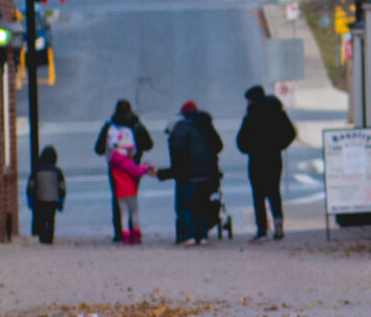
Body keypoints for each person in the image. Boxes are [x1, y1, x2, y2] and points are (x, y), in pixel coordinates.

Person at [236, 86, 298, 240]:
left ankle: (262, 229)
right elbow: (291, 132)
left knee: (258, 195)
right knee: (274, 192)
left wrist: (250, 149)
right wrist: (279, 145)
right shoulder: (277, 111)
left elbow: (241, 141)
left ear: (252, 99)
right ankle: (278, 221)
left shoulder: (251, 115)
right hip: (274, 157)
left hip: (256, 159)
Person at [165, 102, 225, 245]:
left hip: (189, 174)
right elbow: (218, 146)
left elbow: (177, 154)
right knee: (201, 204)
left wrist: (171, 172)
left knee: (184, 204)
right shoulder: (205, 126)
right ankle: (202, 235)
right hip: (209, 173)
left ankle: (189, 235)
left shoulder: (181, 129)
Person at [94, 99, 153, 243]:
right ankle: (134, 230)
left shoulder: (109, 126)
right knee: (132, 198)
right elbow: (148, 144)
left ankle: (120, 232)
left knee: (118, 198)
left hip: (115, 167)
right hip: (133, 166)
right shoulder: (136, 125)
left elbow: (99, 149)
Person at [105, 139, 149, 245]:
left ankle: (125, 235)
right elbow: (136, 172)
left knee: (123, 214)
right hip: (130, 190)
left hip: (120, 191)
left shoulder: (114, 161)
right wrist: (146, 168)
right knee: (134, 213)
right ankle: (136, 235)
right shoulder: (126, 161)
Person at [27, 145, 66, 245]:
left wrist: (31, 199)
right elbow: (62, 187)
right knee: (50, 219)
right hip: (52, 200)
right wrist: (61, 200)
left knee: (40, 218)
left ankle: (41, 236)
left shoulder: (36, 170)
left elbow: (31, 186)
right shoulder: (57, 171)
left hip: (39, 199)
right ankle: (49, 237)